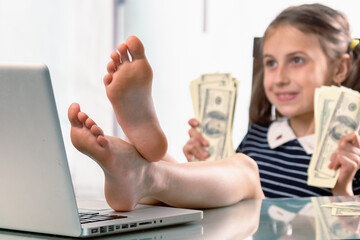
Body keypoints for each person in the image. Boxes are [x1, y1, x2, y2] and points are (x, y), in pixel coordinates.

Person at [68, 3, 360, 212]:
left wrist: (342, 190)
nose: (280, 77)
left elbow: (351, 229)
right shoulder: (260, 134)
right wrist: (203, 165)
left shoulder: (351, 151)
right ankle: (144, 162)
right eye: (271, 62)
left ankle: (143, 170)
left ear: (340, 68)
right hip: (233, 226)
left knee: (245, 170)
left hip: (281, 231)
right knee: (196, 173)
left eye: (296, 60)